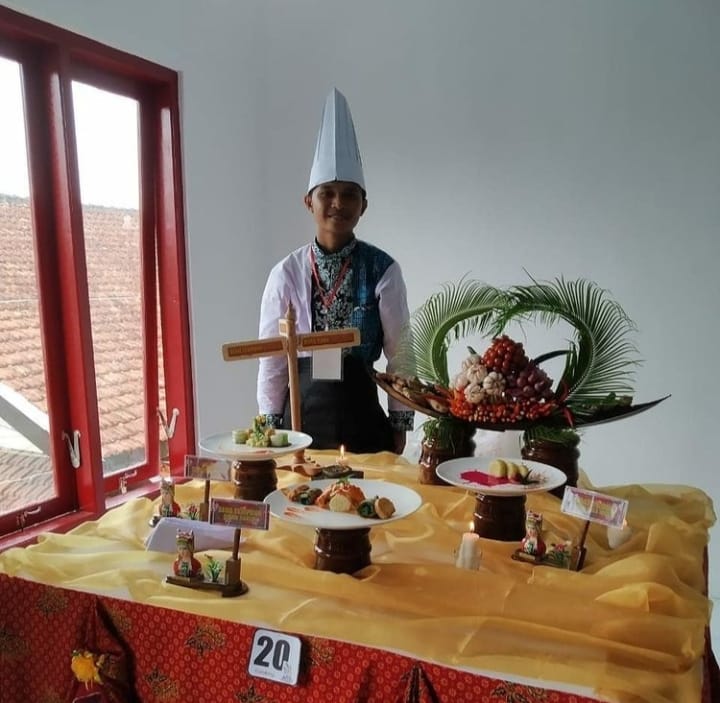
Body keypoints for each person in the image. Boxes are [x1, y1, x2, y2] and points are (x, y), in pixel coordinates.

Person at [257, 88, 413, 454]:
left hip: (364, 423)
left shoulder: (383, 270)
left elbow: (401, 355)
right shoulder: (285, 274)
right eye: (327, 192)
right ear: (308, 201)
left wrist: (400, 423)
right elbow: (272, 360)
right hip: (299, 425)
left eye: (349, 194)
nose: (338, 203)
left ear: (364, 205)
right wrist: (267, 428)